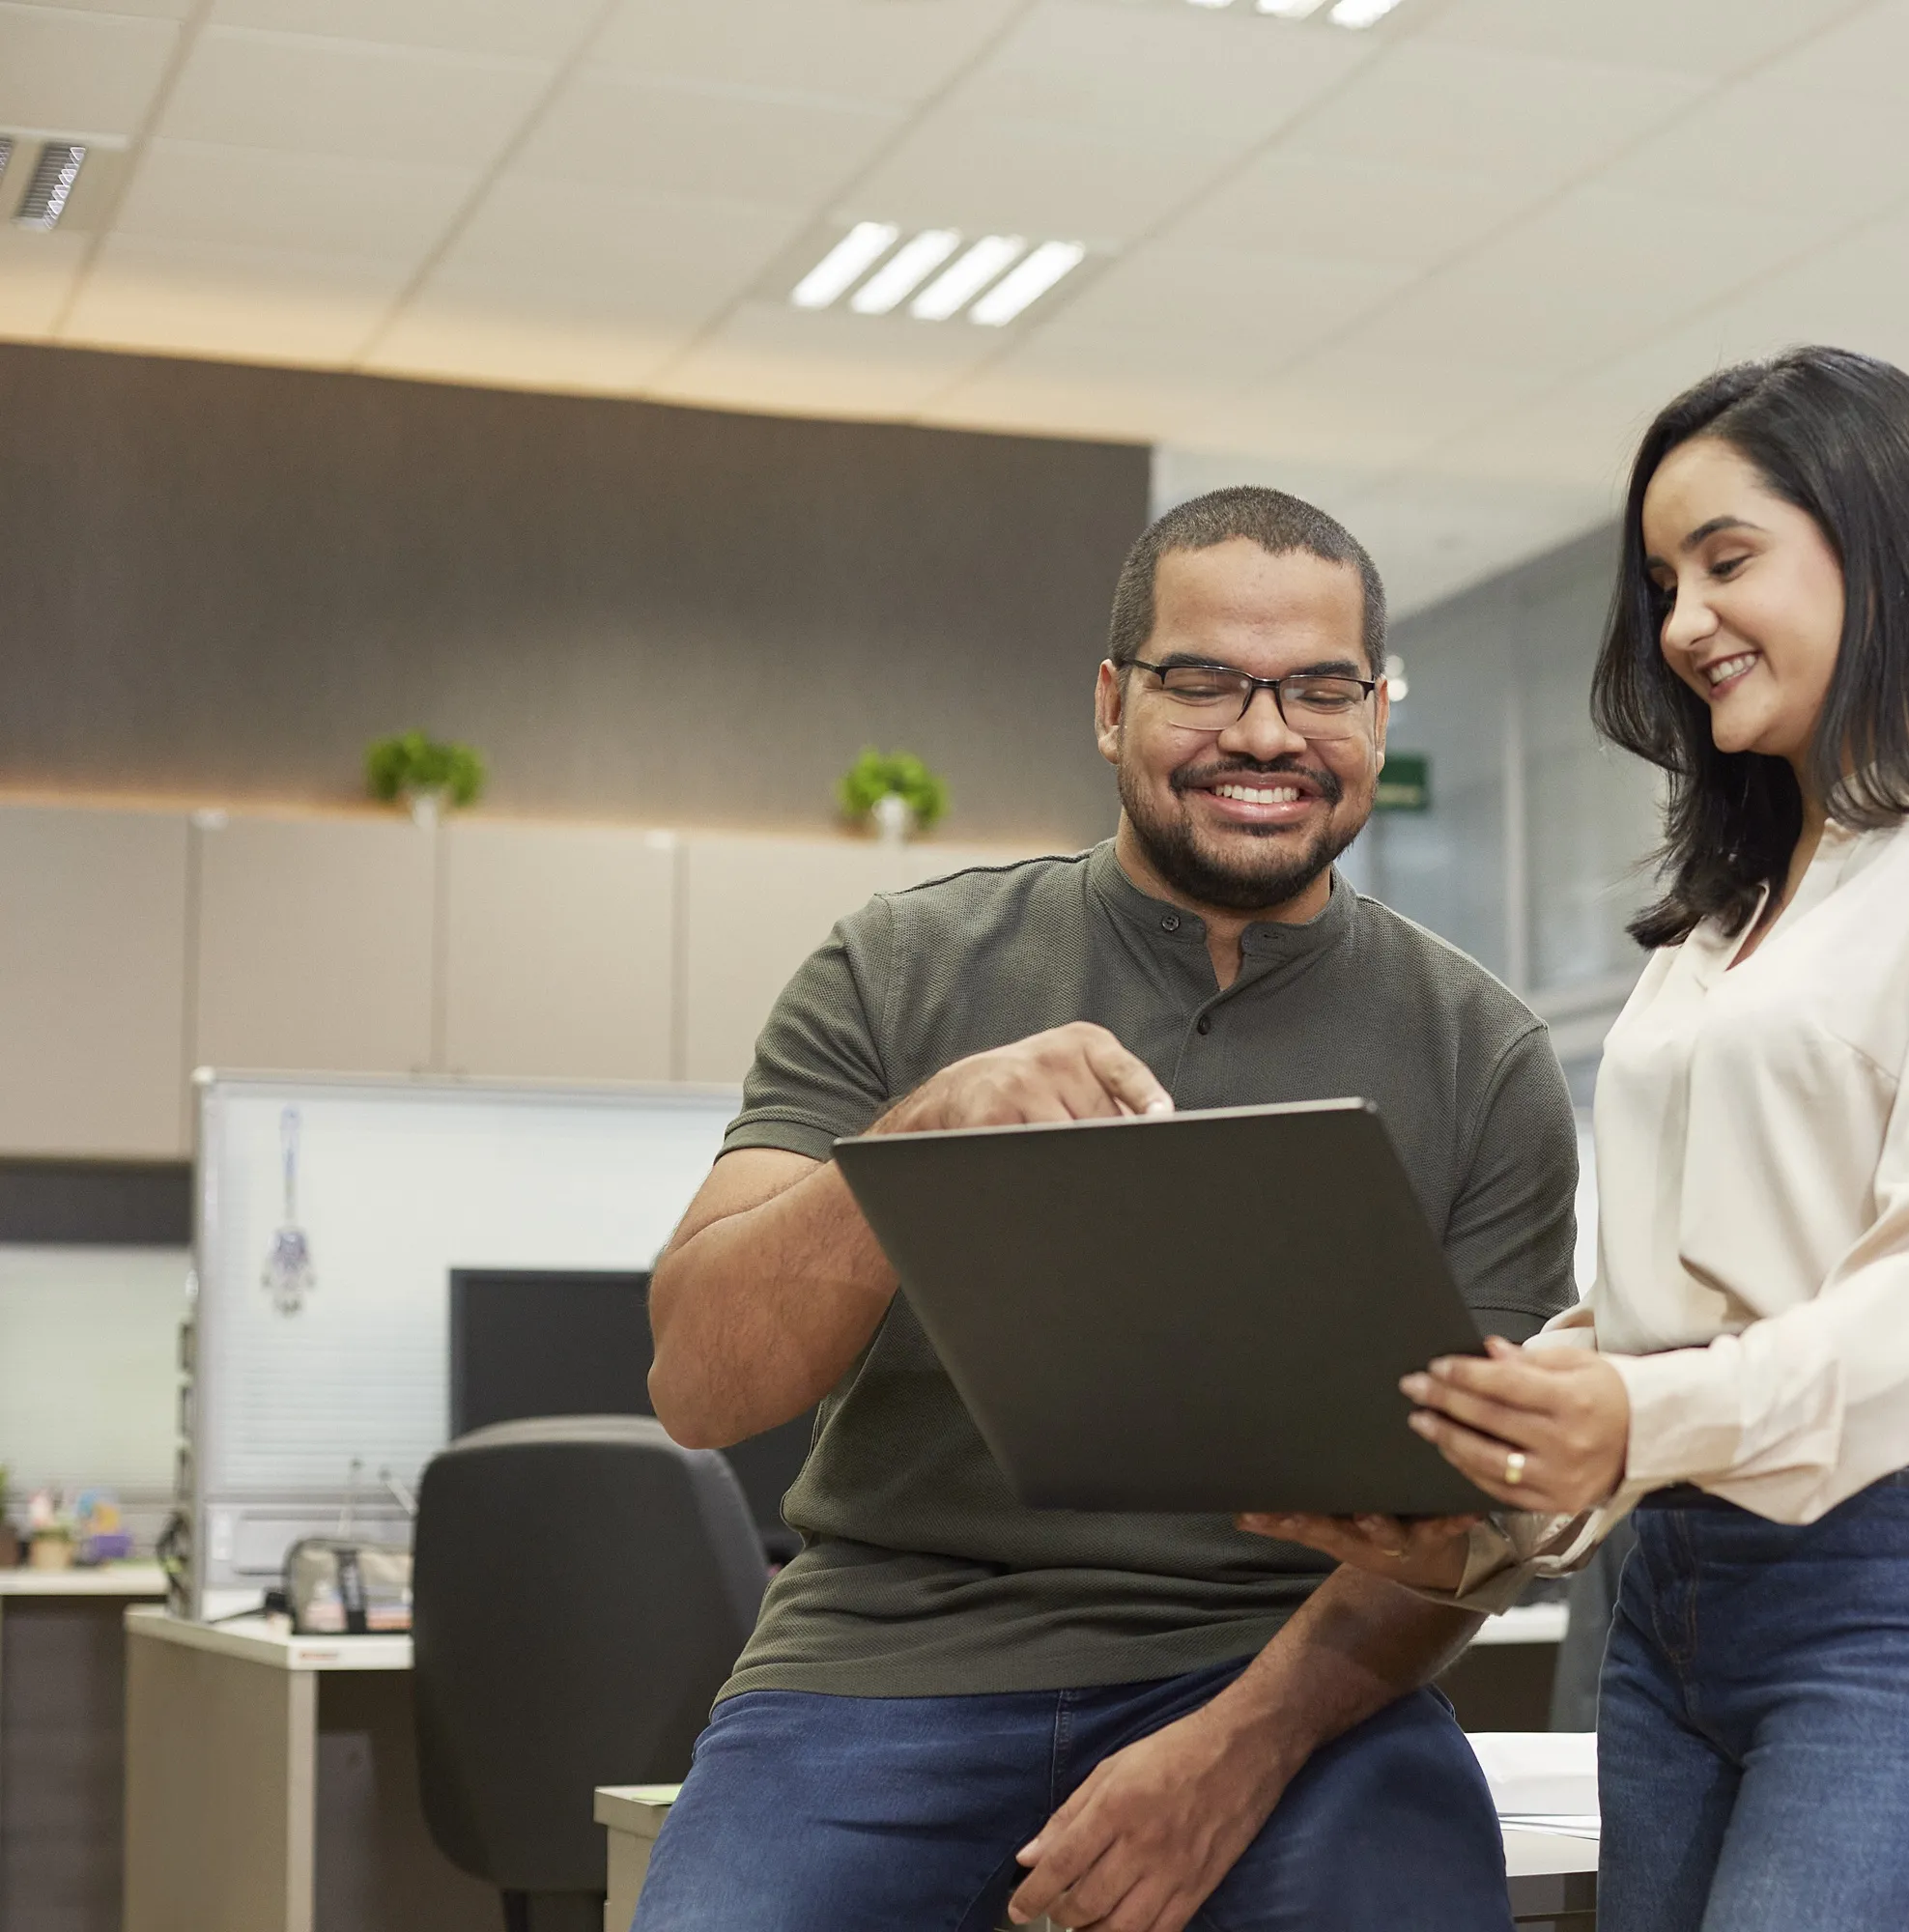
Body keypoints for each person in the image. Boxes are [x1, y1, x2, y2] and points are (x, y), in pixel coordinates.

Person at [1254, 346, 1909, 1929]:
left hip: (1908, 1584)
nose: (1682, 623)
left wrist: (1625, 1418)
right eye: (1665, 579)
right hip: (1665, 1591)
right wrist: (1487, 1468)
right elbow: (1660, 1306)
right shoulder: (1723, 916)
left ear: (1879, 546)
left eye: (1728, 561)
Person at [631, 485, 1579, 1932]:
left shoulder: (1483, 1053)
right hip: (885, 1663)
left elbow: (1468, 1532)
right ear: (1108, 703)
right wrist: (922, 1135)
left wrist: (1236, 1752)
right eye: (1203, 682)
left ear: (1377, 717)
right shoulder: (900, 967)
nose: (1265, 736)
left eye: (1320, 690)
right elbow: (702, 1384)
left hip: (1290, 1675)